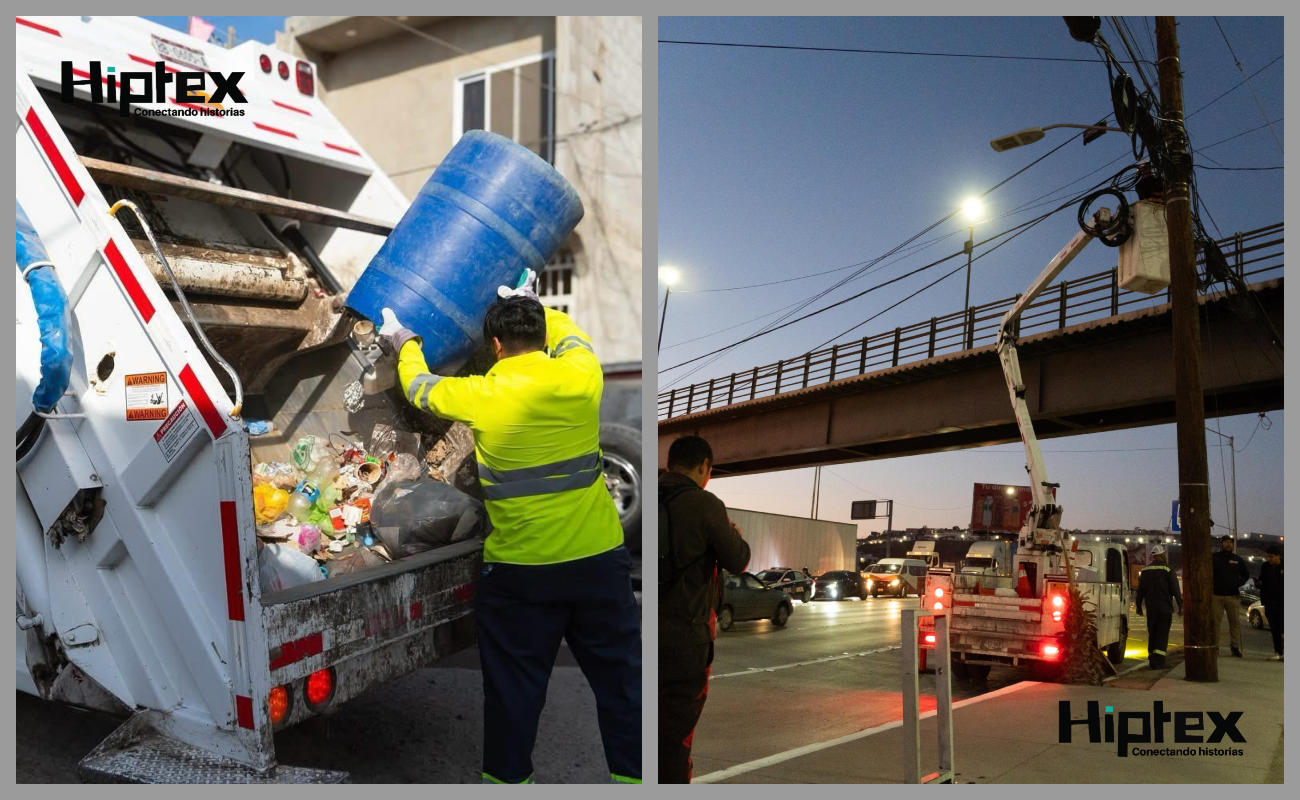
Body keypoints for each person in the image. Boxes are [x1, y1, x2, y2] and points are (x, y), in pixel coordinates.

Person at [380, 271, 641, 785]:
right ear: (543, 338)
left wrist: (404, 342)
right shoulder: (582, 374)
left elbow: (417, 388)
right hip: (599, 567)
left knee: (513, 698)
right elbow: (571, 337)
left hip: (523, 576)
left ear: (496, 346)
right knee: (623, 689)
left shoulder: (480, 394)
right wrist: (535, 302)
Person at [659, 435, 750, 784]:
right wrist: (732, 532)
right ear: (704, 467)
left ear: (669, 464)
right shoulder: (705, 504)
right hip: (686, 641)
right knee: (673, 739)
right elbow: (738, 559)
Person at [1134, 545, 1182, 669]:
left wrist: (1138, 606)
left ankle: (1152, 659)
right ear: (1161, 555)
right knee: (1162, 634)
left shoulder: (1145, 570)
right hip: (1164, 608)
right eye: (1164, 554)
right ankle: (1159, 662)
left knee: (1153, 633)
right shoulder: (1168, 569)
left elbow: (1140, 591)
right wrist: (1181, 605)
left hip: (1151, 608)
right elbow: (1175, 589)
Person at [1210, 535, 1251, 658]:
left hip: (1233, 596)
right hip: (1216, 595)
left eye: (1231, 542)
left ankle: (1235, 647)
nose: (1229, 544)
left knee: (1234, 623)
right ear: (1221, 543)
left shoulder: (1237, 559)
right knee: (1215, 623)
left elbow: (1245, 575)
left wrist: (1238, 583)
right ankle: (1215, 648)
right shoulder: (1213, 558)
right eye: (1226, 542)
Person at [1257, 546, 1283, 662]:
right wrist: (1259, 583)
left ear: (1278, 556)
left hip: (1282, 602)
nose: (1269, 559)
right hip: (1269, 601)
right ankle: (1278, 652)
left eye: (1271, 557)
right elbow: (1261, 579)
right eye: (1268, 557)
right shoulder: (1265, 566)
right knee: (1274, 629)